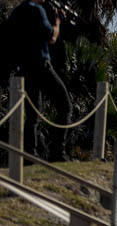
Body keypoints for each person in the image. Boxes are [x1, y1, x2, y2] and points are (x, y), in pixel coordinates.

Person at [4, 0, 71, 161]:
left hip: (23, 68)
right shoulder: (37, 10)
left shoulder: (17, 12)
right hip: (41, 65)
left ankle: (29, 154)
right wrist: (57, 22)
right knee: (65, 105)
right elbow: (51, 37)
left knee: (33, 113)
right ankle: (58, 152)